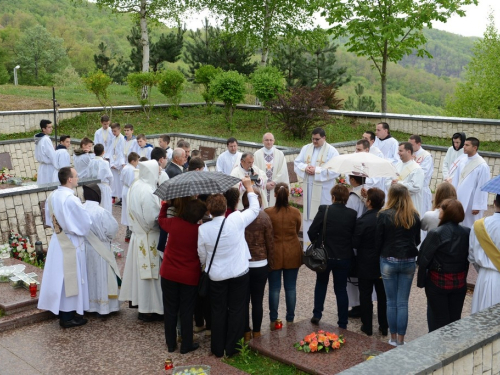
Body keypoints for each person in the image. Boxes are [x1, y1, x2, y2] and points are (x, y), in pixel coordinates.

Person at [197, 176, 259, 358]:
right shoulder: (236, 219)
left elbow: (201, 253)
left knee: (218, 310)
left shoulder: (203, 229)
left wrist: (206, 264)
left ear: (209, 210)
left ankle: (218, 347)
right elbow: (255, 209)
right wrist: (249, 188)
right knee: (237, 309)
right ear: (225, 208)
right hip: (239, 271)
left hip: (216, 274)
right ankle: (232, 348)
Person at [38, 167, 92, 328]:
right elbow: (84, 224)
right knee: (71, 278)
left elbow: (49, 220)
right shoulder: (71, 199)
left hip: (57, 240)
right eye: (76, 176)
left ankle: (63, 312)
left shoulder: (53, 195)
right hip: (71, 242)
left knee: (60, 278)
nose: (78, 178)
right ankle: (67, 317)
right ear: (69, 179)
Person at [159, 199, 207, 354]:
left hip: (169, 272)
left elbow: (161, 221)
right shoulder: (199, 230)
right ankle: (186, 344)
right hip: (189, 275)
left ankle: (171, 344)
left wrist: (165, 205)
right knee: (187, 310)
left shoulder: (174, 222)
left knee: (170, 309)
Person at [376, 184, 421, 346]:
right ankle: (401, 340)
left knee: (391, 301)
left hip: (388, 258)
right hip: (409, 260)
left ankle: (393, 338)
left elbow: (378, 240)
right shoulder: (414, 215)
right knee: (403, 302)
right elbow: (417, 240)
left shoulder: (383, 215)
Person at [119, 160, 164, 321]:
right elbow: (152, 218)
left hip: (137, 236)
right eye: (157, 172)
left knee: (141, 276)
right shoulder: (149, 191)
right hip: (149, 236)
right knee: (152, 278)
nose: (159, 174)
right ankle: (153, 308)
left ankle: (143, 307)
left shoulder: (135, 185)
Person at [308, 184, 358, 329]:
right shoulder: (352, 214)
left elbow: (312, 231)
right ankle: (342, 322)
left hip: (324, 256)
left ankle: (317, 314)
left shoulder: (325, 210)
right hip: (343, 257)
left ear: (333, 197)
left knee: (321, 284)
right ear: (347, 199)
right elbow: (354, 238)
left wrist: (318, 243)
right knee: (341, 289)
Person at [417, 199, 470, 332]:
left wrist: (422, 281)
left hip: (438, 281)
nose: (439, 210)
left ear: (447, 213)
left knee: (439, 319)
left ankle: (439, 349)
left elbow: (423, 258)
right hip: (459, 281)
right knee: (454, 319)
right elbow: (468, 257)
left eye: (441, 209)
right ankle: (452, 348)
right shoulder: (467, 232)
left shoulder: (436, 233)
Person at [294, 127, 339, 251]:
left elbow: (335, 169)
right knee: (309, 215)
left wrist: (317, 170)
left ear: (324, 138)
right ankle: (308, 247)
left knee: (323, 215)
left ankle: (323, 246)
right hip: (309, 188)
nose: (314, 141)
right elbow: (297, 163)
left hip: (323, 190)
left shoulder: (332, 151)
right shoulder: (306, 148)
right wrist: (305, 168)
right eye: (313, 139)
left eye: (317, 139)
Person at [264, 183, 302, 328]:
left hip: (274, 253)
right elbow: (297, 229)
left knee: (274, 288)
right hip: (292, 250)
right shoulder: (295, 212)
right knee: (291, 288)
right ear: (288, 195)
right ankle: (290, 319)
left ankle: (274, 319)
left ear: (274, 195)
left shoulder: (268, 212)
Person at [353, 188, 387, 336]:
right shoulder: (387, 218)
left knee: (365, 294)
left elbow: (355, 242)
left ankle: (367, 326)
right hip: (383, 262)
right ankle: (384, 325)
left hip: (365, 262)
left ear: (369, 202)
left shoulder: (362, 220)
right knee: (382, 295)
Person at [82, 184, 121, 316]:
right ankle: (103, 308)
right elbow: (112, 230)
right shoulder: (101, 212)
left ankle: (89, 305)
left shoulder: (80, 209)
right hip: (101, 248)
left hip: (85, 248)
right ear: (98, 196)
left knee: (89, 276)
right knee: (102, 276)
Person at [241, 189, 274, 342]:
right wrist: (271, 263)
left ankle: (246, 331)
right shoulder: (264, 217)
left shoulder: (240, 217)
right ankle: (257, 332)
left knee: (244, 300)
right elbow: (270, 243)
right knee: (257, 300)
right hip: (261, 262)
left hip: (244, 263)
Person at [469, 194, 500, 314]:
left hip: (485, 277)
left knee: (481, 321)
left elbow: (472, 256)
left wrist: (483, 269)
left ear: (494, 203)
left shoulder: (479, 225)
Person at [450, 137, 490, 228]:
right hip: (459, 199)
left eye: (467, 145)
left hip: (471, 202)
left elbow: (482, 186)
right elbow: (456, 180)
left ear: (474, 148)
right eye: (464, 144)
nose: (464, 147)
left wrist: (477, 205)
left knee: (470, 226)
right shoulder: (462, 161)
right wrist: (452, 196)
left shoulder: (482, 165)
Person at [345, 174, 368, 318]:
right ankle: (365, 303)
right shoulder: (368, 194)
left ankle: (356, 304)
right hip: (367, 238)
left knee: (353, 274)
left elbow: (349, 218)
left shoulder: (353, 197)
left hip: (354, 237)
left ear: (353, 180)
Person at [387, 142, 425, 217]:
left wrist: (399, 184)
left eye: (401, 151)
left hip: (409, 203)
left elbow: (416, 187)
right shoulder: (397, 165)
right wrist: (391, 184)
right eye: (398, 151)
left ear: (409, 152)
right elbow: (388, 180)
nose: (398, 153)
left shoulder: (417, 169)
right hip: (396, 202)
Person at [253, 133, 290, 206]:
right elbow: (254, 171)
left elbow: (283, 171)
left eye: (271, 140)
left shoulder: (280, 154)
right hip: (262, 186)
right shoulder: (257, 154)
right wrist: (264, 184)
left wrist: (274, 182)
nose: (269, 142)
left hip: (275, 186)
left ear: (274, 141)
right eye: (266, 140)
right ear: (263, 141)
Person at [409, 135, 434, 214]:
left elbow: (423, 173)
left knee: (421, 213)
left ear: (419, 144)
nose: (410, 147)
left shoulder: (426, 156)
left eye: (411, 145)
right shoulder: (409, 154)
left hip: (421, 190)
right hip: (410, 189)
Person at [87, 144, 113, 213]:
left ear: (94, 152)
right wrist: (110, 185)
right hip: (104, 186)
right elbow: (110, 176)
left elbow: (88, 175)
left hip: (93, 187)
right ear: (103, 152)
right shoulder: (105, 163)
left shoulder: (91, 162)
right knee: (105, 206)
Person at [121, 152, 139, 243]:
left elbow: (121, 179)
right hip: (130, 190)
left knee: (126, 211)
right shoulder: (133, 170)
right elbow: (133, 181)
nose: (137, 163)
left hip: (125, 189)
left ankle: (128, 233)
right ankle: (129, 233)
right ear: (133, 161)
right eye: (137, 161)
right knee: (130, 211)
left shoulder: (125, 168)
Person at [34, 119, 57, 185]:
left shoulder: (39, 139)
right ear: (43, 129)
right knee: (50, 185)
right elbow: (52, 155)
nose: (51, 129)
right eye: (49, 127)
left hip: (42, 167)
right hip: (49, 168)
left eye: (51, 127)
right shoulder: (46, 139)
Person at [110, 123, 126, 206]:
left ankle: (122, 199)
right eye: (112, 131)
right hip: (114, 163)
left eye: (115, 131)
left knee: (120, 182)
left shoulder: (122, 139)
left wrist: (117, 165)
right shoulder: (113, 139)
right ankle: (119, 197)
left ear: (119, 130)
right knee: (116, 182)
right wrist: (111, 163)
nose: (113, 132)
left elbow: (121, 153)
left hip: (119, 164)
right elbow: (111, 151)